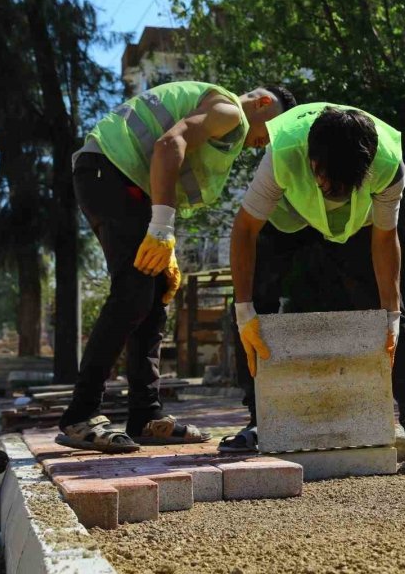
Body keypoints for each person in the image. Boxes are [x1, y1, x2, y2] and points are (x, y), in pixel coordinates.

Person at [219, 103, 405, 474]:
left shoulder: (388, 167)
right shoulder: (284, 152)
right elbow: (244, 230)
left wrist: (392, 317)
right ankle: (259, 424)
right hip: (286, 218)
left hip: (356, 227)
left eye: (342, 186)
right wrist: (244, 312)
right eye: (325, 182)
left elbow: (385, 239)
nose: (330, 192)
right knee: (253, 302)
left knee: (393, 314)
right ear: (312, 161)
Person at [56, 81, 297, 453]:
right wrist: (161, 227)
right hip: (113, 175)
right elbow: (169, 145)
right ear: (264, 102)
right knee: (133, 294)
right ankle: (81, 414)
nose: (269, 142)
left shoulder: (220, 115)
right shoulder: (230, 110)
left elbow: (167, 163)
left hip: (113, 178)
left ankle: (145, 415)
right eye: (275, 129)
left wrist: (162, 234)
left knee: (152, 299)